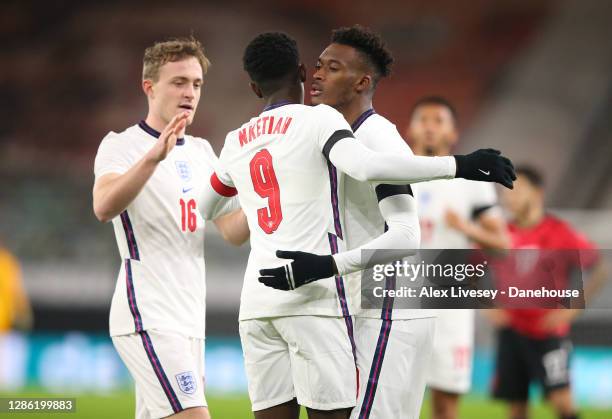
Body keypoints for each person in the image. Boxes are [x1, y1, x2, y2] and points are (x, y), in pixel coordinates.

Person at [201, 32, 514, 419]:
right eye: (317, 65)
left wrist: (328, 265)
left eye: (332, 68)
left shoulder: (376, 135)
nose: (317, 75)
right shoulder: (322, 132)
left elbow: (405, 235)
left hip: (390, 306)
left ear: (361, 82)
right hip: (356, 304)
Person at [92, 37, 249, 419]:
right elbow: (103, 206)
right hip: (147, 313)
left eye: (196, 84)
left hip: (190, 320)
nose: (190, 92)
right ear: (150, 87)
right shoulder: (122, 146)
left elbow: (232, 230)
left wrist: (274, 195)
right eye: (178, 82)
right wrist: (153, 157)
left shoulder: (200, 152)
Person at [407, 96, 510, 419]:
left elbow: (502, 244)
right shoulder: (394, 173)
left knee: (446, 402)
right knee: (389, 397)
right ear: (409, 129)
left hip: (449, 304)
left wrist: (466, 227)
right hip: (395, 296)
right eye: (423, 119)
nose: (429, 127)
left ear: (453, 132)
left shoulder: (471, 182)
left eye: (438, 121)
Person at [487, 166, 606, 419]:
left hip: (547, 333)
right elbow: (469, 269)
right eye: (505, 191)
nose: (510, 197)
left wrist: (571, 311)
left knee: (562, 401)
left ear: (538, 193)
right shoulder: (501, 234)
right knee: (516, 406)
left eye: (517, 189)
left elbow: (600, 267)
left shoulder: (560, 232)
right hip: (511, 331)